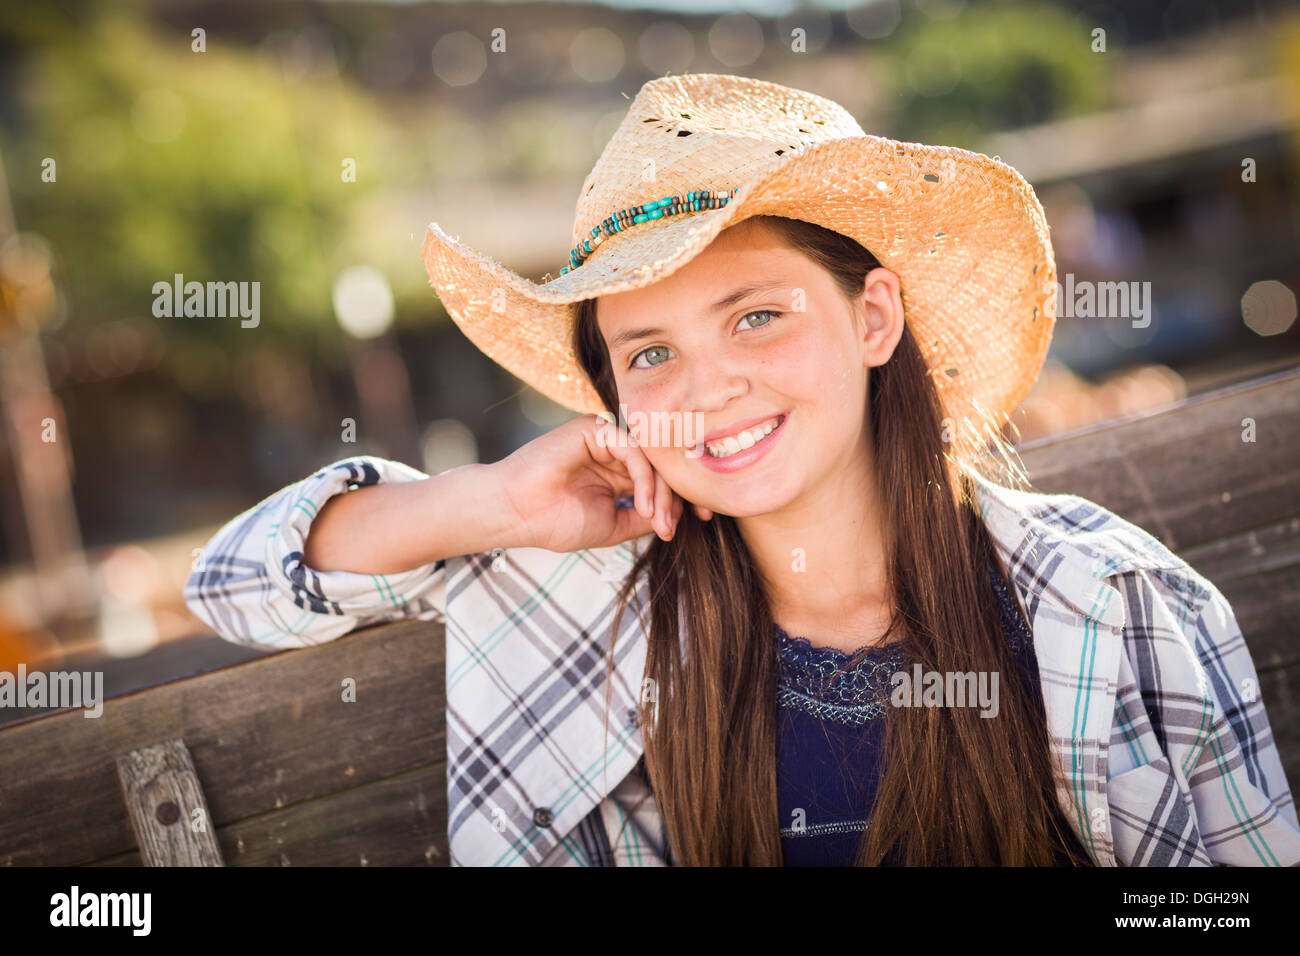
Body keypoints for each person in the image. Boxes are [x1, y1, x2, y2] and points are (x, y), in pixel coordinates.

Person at [185, 74, 1300, 867]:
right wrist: (496, 499)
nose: (708, 387)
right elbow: (232, 583)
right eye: (650, 354)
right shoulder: (580, 603)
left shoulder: (1109, 606)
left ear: (873, 319)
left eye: (756, 315)